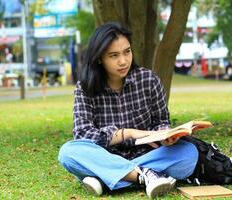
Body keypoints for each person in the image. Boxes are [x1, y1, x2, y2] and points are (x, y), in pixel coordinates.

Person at [58, 22, 198, 199]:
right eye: (114, 55)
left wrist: (166, 136)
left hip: (147, 154)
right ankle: (145, 176)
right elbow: (83, 135)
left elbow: (161, 121)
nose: (123, 61)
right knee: (68, 153)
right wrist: (127, 133)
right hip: (105, 155)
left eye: (127, 51)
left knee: (189, 153)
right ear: (100, 58)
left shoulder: (149, 80)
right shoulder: (85, 88)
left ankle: (104, 178)